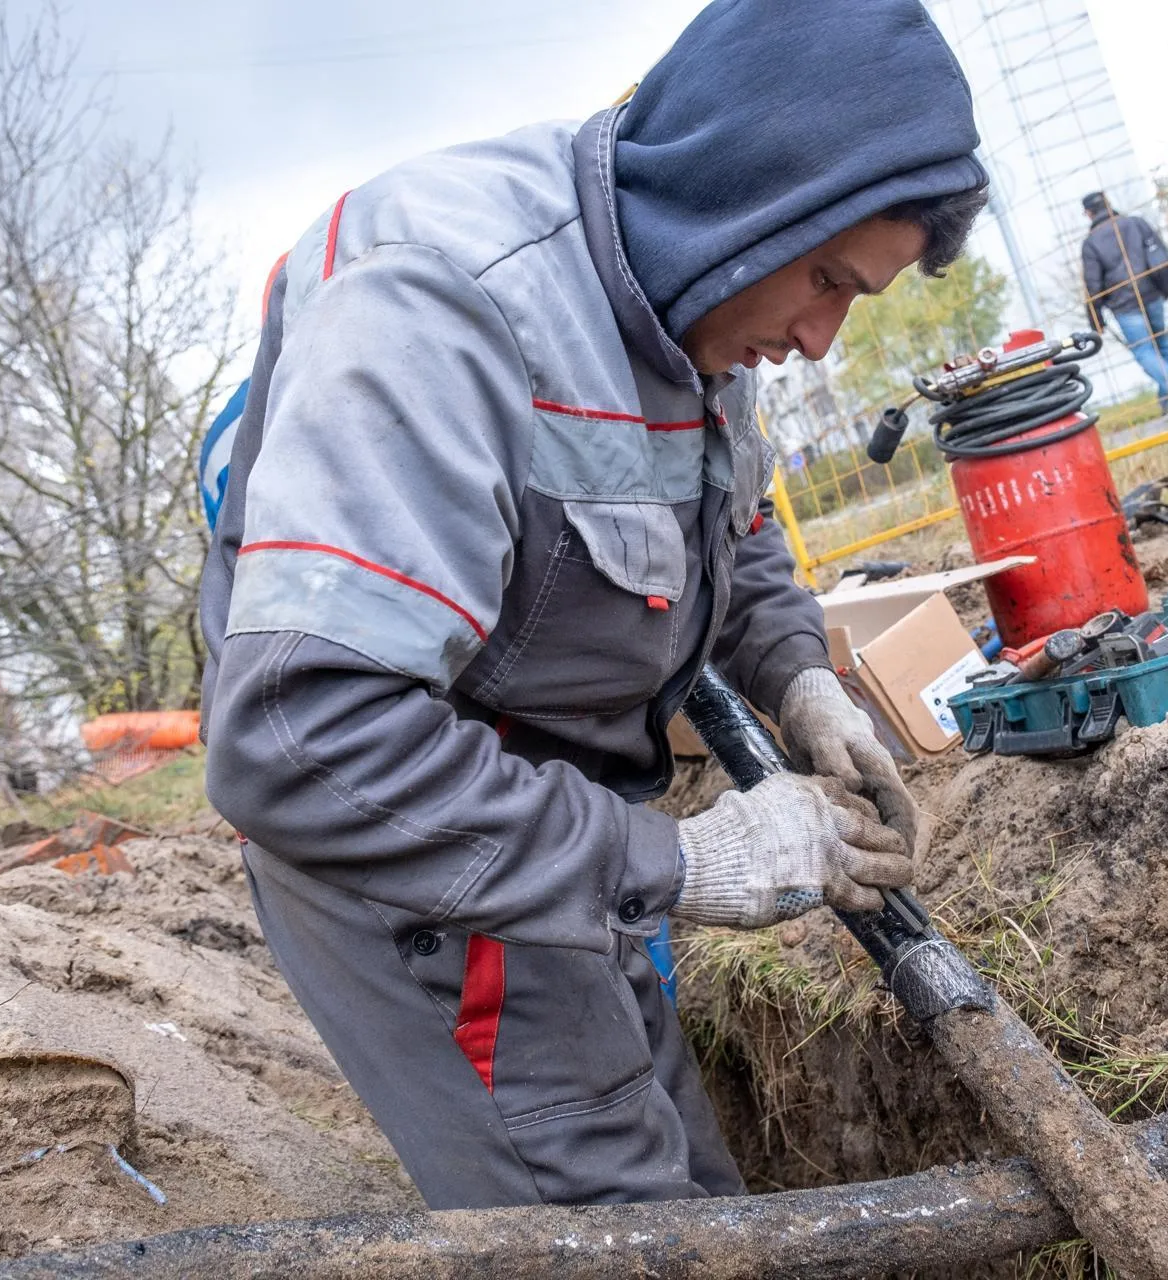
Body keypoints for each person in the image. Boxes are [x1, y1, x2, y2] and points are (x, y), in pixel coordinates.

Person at [199, 0, 988, 1211]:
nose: (824, 340)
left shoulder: (699, 303)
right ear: (746, 195)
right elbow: (300, 739)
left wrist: (799, 676)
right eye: (826, 279)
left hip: (561, 819)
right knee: (619, 1225)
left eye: (858, 301)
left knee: (700, 1189)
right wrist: (685, 857)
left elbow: (734, 518)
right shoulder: (442, 305)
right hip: (418, 844)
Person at [1080, 191, 1168, 417]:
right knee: (1161, 346)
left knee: (1144, 350)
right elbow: (1159, 253)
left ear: (1088, 213)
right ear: (1108, 204)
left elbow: (1092, 284)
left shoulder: (1091, 243)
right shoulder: (1135, 223)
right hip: (1151, 293)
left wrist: (1096, 320)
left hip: (1124, 304)